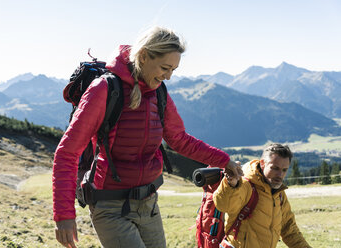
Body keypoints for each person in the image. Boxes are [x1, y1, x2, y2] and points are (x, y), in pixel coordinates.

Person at [53, 26, 242, 248]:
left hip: (148, 204)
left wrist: (224, 161)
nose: (169, 76)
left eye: (174, 69)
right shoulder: (104, 89)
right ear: (144, 56)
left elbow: (179, 139)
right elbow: (67, 153)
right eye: (165, 67)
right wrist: (64, 215)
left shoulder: (158, 92)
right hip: (111, 207)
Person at [213, 143, 312, 248]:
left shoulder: (279, 194)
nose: (280, 175)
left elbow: (290, 230)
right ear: (263, 163)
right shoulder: (245, 184)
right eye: (275, 168)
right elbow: (224, 205)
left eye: (284, 170)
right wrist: (230, 184)